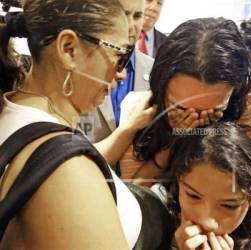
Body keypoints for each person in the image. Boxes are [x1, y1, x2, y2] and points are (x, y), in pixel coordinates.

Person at [0, 0, 155, 249]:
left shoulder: (15, 110)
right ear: (69, 49)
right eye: (120, 55)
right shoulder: (66, 169)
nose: (122, 74)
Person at [121, 18, 251, 182]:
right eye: (181, 108)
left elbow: (245, 188)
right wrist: (174, 142)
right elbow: (133, 194)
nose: (197, 121)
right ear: (161, 84)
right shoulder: (140, 110)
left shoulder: (245, 107)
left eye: (215, 111)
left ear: (234, 92)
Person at [161, 123, 251, 250]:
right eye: (193, 196)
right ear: (178, 182)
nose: (207, 222)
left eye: (228, 206)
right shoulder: (151, 220)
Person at [80, 0, 154, 150]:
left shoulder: (154, 70)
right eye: (123, 15)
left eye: (138, 15)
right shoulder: (78, 70)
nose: (131, 26)